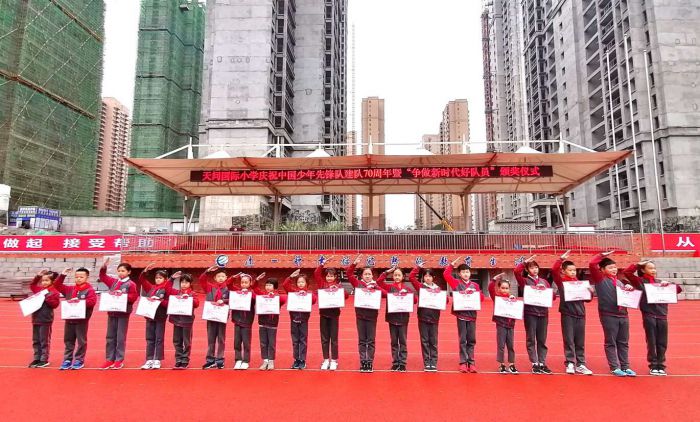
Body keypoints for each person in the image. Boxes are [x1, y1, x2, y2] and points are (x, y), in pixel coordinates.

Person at [623, 260, 682, 376]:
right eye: (650, 268)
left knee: (662, 342)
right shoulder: (640, 282)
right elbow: (627, 273)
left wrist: (670, 284)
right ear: (643, 270)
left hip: (662, 316)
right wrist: (638, 264)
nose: (653, 270)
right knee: (652, 341)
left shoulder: (660, 282)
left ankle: (661, 365)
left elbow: (679, 290)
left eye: (654, 268)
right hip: (649, 315)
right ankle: (653, 365)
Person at [589, 251, 637, 377]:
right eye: (610, 267)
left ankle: (625, 366)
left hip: (623, 315)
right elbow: (592, 264)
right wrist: (601, 255)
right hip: (608, 315)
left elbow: (627, 297)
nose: (614, 269)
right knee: (611, 342)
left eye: (615, 267)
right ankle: (614, 367)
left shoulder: (620, 283)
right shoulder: (600, 279)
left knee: (623, 342)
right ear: (602, 269)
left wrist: (629, 289)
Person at [551, 250, 594, 375]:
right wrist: (561, 259)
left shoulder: (580, 283)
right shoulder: (562, 282)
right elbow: (554, 270)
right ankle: (570, 362)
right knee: (569, 339)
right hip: (568, 314)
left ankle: (581, 364)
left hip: (580, 314)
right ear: (564, 271)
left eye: (574, 270)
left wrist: (590, 292)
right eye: (570, 270)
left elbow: (587, 300)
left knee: (580, 341)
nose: (573, 272)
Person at [515, 255, 555, 374]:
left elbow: (552, 297)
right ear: (527, 270)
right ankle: (534, 363)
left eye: (536, 267)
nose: (535, 270)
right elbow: (516, 271)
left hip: (543, 313)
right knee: (531, 338)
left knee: (542, 339)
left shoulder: (544, 282)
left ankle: (542, 362)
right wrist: (524, 262)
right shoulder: (525, 281)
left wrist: (545, 291)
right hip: (530, 313)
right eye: (532, 268)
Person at [443, 258, 484, 373]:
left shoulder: (475, 285)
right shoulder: (456, 283)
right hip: (461, 315)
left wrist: (474, 294)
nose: (466, 274)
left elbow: (481, 298)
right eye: (463, 272)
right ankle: (463, 362)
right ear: (459, 274)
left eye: (467, 272)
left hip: (472, 316)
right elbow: (446, 275)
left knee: (471, 340)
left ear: (470, 273)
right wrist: (451, 265)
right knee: (462, 340)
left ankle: (471, 362)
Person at [346, 256, 385, 373]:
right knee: (362, 340)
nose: (367, 276)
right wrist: (354, 264)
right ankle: (363, 361)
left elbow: (385, 294)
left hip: (372, 317)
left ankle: (370, 362)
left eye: (369, 274)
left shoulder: (375, 286)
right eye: (365, 274)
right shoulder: (358, 284)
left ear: (372, 276)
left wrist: (376, 287)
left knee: (371, 340)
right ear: (362, 276)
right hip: (360, 316)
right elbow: (349, 274)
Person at [54, 267, 97, 370]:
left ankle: (79, 359)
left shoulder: (90, 290)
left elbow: (92, 302)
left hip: (82, 320)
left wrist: (79, 302)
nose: (78, 279)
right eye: (77, 277)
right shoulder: (70, 289)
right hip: (69, 319)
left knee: (81, 341)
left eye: (81, 277)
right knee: (68, 340)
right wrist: (63, 275)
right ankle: (67, 359)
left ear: (87, 277)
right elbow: (57, 285)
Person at [99, 258, 138, 370]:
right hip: (112, 312)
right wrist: (103, 267)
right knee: (110, 337)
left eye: (123, 271)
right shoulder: (114, 282)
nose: (121, 273)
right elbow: (103, 277)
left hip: (123, 313)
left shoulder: (131, 284)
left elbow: (134, 297)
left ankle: (119, 360)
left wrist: (122, 295)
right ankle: (109, 359)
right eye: (119, 271)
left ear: (129, 272)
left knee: (120, 337)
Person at [376, 267, 417, 372]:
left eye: (399, 275)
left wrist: (407, 295)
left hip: (403, 319)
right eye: (395, 275)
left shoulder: (407, 289)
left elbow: (415, 300)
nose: (397, 277)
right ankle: (395, 362)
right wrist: (387, 272)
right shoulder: (389, 287)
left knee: (403, 341)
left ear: (403, 277)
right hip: (392, 318)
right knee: (394, 341)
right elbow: (379, 282)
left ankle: (402, 363)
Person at [314, 260, 349, 370]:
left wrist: (338, 290)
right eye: (328, 276)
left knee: (334, 338)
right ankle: (325, 359)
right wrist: (322, 264)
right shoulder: (322, 284)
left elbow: (346, 296)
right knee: (324, 338)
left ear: (335, 277)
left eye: (331, 276)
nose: (329, 278)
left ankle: (334, 360)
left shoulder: (338, 286)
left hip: (334, 315)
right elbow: (316, 273)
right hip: (323, 315)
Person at [138, 264, 173, 370]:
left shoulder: (167, 288)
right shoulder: (151, 287)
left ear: (165, 279)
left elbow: (170, 303)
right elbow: (142, 280)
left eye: (160, 278)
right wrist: (145, 271)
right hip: (149, 316)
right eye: (156, 278)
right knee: (149, 338)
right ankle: (149, 359)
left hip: (160, 317)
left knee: (159, 338)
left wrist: (160, 301)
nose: (158, 279)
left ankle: (157, 359)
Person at [409, 264, 442, 371]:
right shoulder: (421, 287)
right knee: (424, 341)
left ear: (433, 277)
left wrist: (443, 298)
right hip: (423, 318)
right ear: (423, 277)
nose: (428, 278)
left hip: (434, 318)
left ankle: (434, 362)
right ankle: (427, 362)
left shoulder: (438, 289)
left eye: (430, 276)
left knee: (433, 341)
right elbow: (411, 277)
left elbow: (444, 300)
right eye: (426, 276)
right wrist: (417, 268)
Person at [283, 270, 317, 370]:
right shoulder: (293, 292)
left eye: (302, 282)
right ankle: (296, 359)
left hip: (304, 321)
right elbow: (285, 285)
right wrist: (290, 277)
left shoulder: (309, 294)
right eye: (298, 282)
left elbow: (314, 300)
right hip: (293, 320)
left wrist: (305, 294)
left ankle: (302, 360)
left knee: (303, 341)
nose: (300, 284)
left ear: (307, 283)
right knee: (295, 341)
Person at [27, 269, 62, 368]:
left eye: (46, 280)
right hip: (36, 319)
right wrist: (38, 276)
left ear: (52, 281)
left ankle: (44, 359)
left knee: (44, 340)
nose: (44, 282)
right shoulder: (39, 290)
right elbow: (32, 285)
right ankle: (37, 358)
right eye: (42, 280)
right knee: (36, 340)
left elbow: (55, 305)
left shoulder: (54, 292)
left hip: (46, 320)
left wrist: (46, 297)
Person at [200, 266, 230, 369]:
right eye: (218, 276)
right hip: (211, 316)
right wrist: (207, 271)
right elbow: (201, 280)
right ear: (215, 278)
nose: (221, 278)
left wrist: (224, 301)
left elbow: (234, 300)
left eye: (223, 276)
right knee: (211, 338)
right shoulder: (210, 287)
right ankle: (210, 359)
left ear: (226, 277)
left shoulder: (229, 288)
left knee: (221, 339)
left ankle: (220, 360)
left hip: (222, 317)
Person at [253, 276, 287, 370]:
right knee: (263, 343)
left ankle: (271, 360)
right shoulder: (262, 295)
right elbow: (254, 288)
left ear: (274, 287)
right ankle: (265, 360)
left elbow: (284, 299)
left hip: (272, 323)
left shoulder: (277, 296)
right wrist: (256, 280)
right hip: (262, 322)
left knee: (271, 343)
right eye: (266, 285)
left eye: (270, 285)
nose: (268, 287)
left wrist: (274, 296)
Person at [227, 272, 259, 370]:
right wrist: (233, 277)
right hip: (237, 320)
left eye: (246, 282)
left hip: (247, 322)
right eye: (242, 282)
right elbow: (228, 285)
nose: (244, 284)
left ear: (250, 283)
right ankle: (238, 360)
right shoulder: (236, 292)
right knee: (237, 342)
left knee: (246, 342)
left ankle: (246, 361)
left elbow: (256, 298)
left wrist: (249, 293)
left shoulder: (252, 293)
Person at [167, 273, 199, 369]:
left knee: (186, 341)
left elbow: (197, 304)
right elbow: (167, 289)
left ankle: (185, 360)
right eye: (182, 282)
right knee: (177, 341)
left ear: (190, 283)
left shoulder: (192, 294)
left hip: (187, 321)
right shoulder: (176, 292)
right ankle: (178, 359)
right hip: (176, 320)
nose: (184, 284)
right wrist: (171, 279)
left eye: (186, 282)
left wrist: (189, 298)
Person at [488, 273, 518, 374]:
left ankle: (511, 364)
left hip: (510, 325)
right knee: (501, 345)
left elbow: (516, 311)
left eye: (506, 288)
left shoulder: (512, 298)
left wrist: (513, 301)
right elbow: (490, 289)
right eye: (503, 288)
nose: (505, 290)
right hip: (501, 325)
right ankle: (502, 365)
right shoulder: (497, 298)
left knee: (511, 345)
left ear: (509, 289)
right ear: (499, 289)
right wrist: (494, 280)